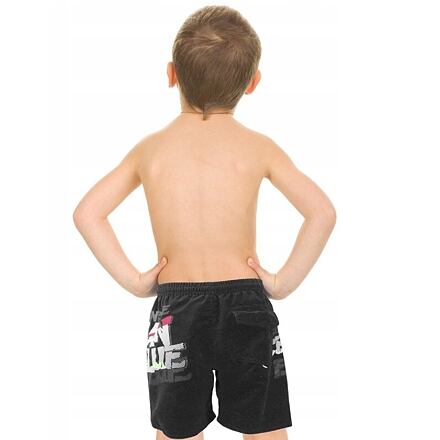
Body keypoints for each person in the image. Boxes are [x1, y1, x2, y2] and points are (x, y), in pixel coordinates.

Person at [73, 5, 336, 440]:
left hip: (176, 310)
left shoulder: (150, 150)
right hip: (246, 304)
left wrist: (136, 282)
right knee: (265, 428)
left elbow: (87, 213)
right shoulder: (258, 147)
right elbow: (321, 212)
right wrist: (283, 282)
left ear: (172, 74)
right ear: (252, 83)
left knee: (176, 432)